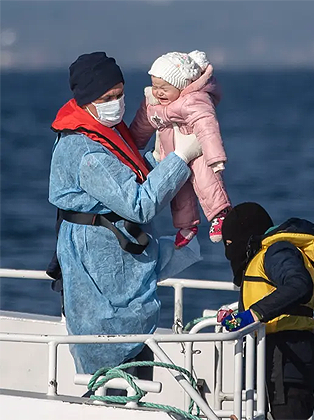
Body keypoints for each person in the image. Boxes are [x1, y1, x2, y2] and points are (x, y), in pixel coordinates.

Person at [49, 51, 204, 377]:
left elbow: (124, 178)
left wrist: (157, 161)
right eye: (108, 97)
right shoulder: (87, 152)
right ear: (88, 100)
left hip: (119, 261)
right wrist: (180, 157)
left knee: (134, 347)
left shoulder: (104, 131)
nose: (117, 103)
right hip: (100, 269)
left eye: (120, 94)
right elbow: (138, 204)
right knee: (112, 367)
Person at [218, 202, 314, 419]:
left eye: (231, 243)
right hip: (272, 364)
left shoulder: (277, 250)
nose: (229, 251)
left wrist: (253, 314)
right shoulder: (264, 255)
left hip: (288, 365)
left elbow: (299, 284)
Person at [129, 50, 231, 248]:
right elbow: (142, 123)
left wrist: (215, 157)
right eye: (155, 86)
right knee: (179, 192)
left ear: (181, 85)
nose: (158, 92)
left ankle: (220, 213)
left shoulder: (194, 101)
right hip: (172, 153)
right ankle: (187, 225)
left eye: (164, 88)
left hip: (198, 151)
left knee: (206, 181)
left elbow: (207, 126)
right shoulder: (154, 102)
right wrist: (132, 144)